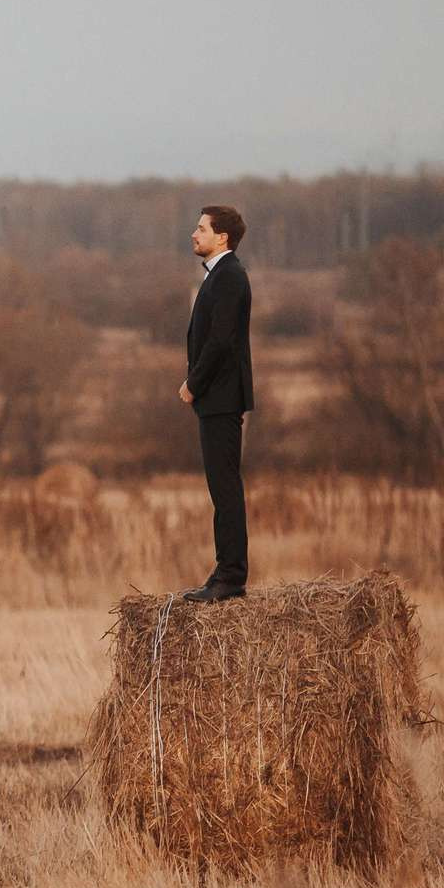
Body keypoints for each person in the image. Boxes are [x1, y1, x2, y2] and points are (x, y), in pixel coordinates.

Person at [178, 205, 254, 603]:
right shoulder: (220, 276)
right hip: (218, 398)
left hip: (220, 397)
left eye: (201, 227)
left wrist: (194, 383)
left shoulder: (228, 277)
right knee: (221, 487)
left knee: (225, 488)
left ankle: (231, 577)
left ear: (221, 237)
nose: (194, 233)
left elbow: (221, 340)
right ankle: (225, 573)